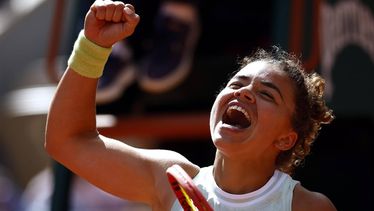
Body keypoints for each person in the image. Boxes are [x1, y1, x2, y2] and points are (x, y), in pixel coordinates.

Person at [45, 1, 337, 210]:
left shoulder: (306, 206)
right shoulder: (169, 178)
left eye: (267, 94)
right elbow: (67, 141)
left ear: (286, 138)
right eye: (236, 84)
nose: (244, 93)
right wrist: (92, 47)